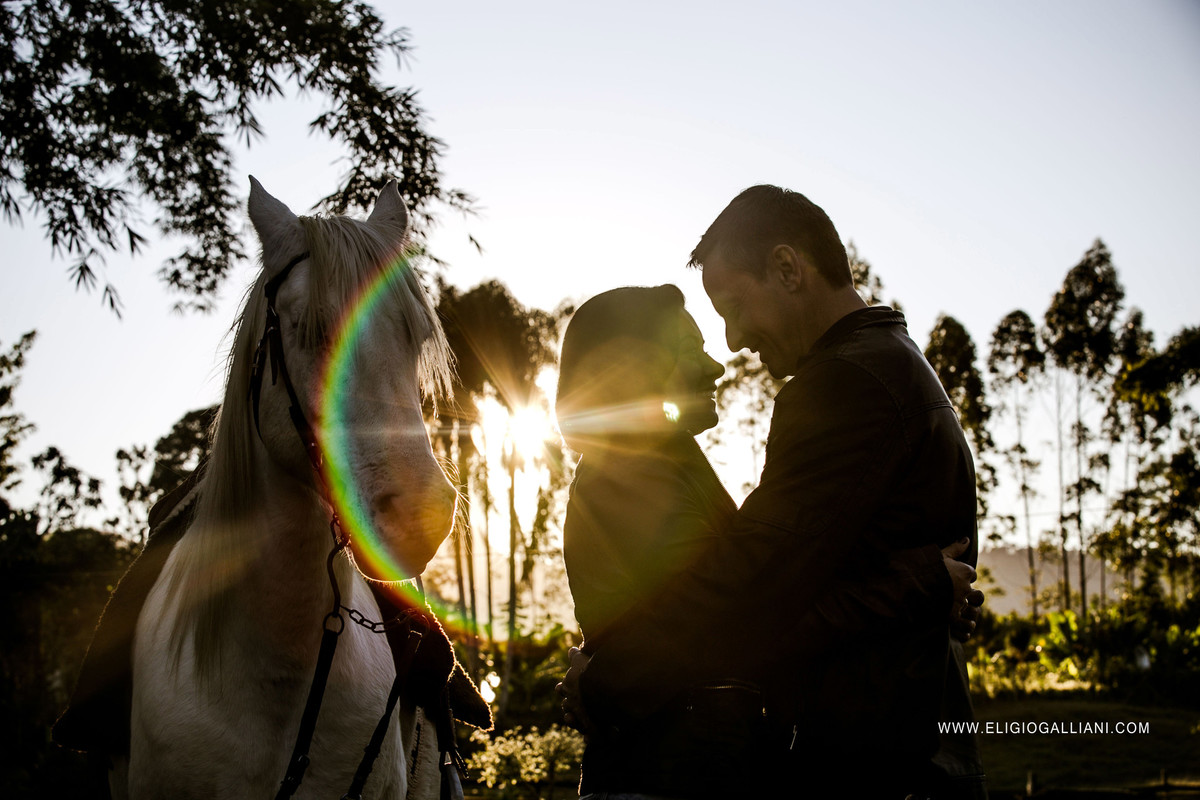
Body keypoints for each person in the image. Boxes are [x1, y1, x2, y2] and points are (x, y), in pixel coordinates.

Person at [560, 185, 988, 799]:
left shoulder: (846, 380)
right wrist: (918, 588)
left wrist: (606, 681)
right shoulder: (892, 364)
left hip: (880, 763)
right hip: (903, 755)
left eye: (733, 308)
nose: (733, 342)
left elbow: (747, 591)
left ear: (788, 268)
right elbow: (758, 587)